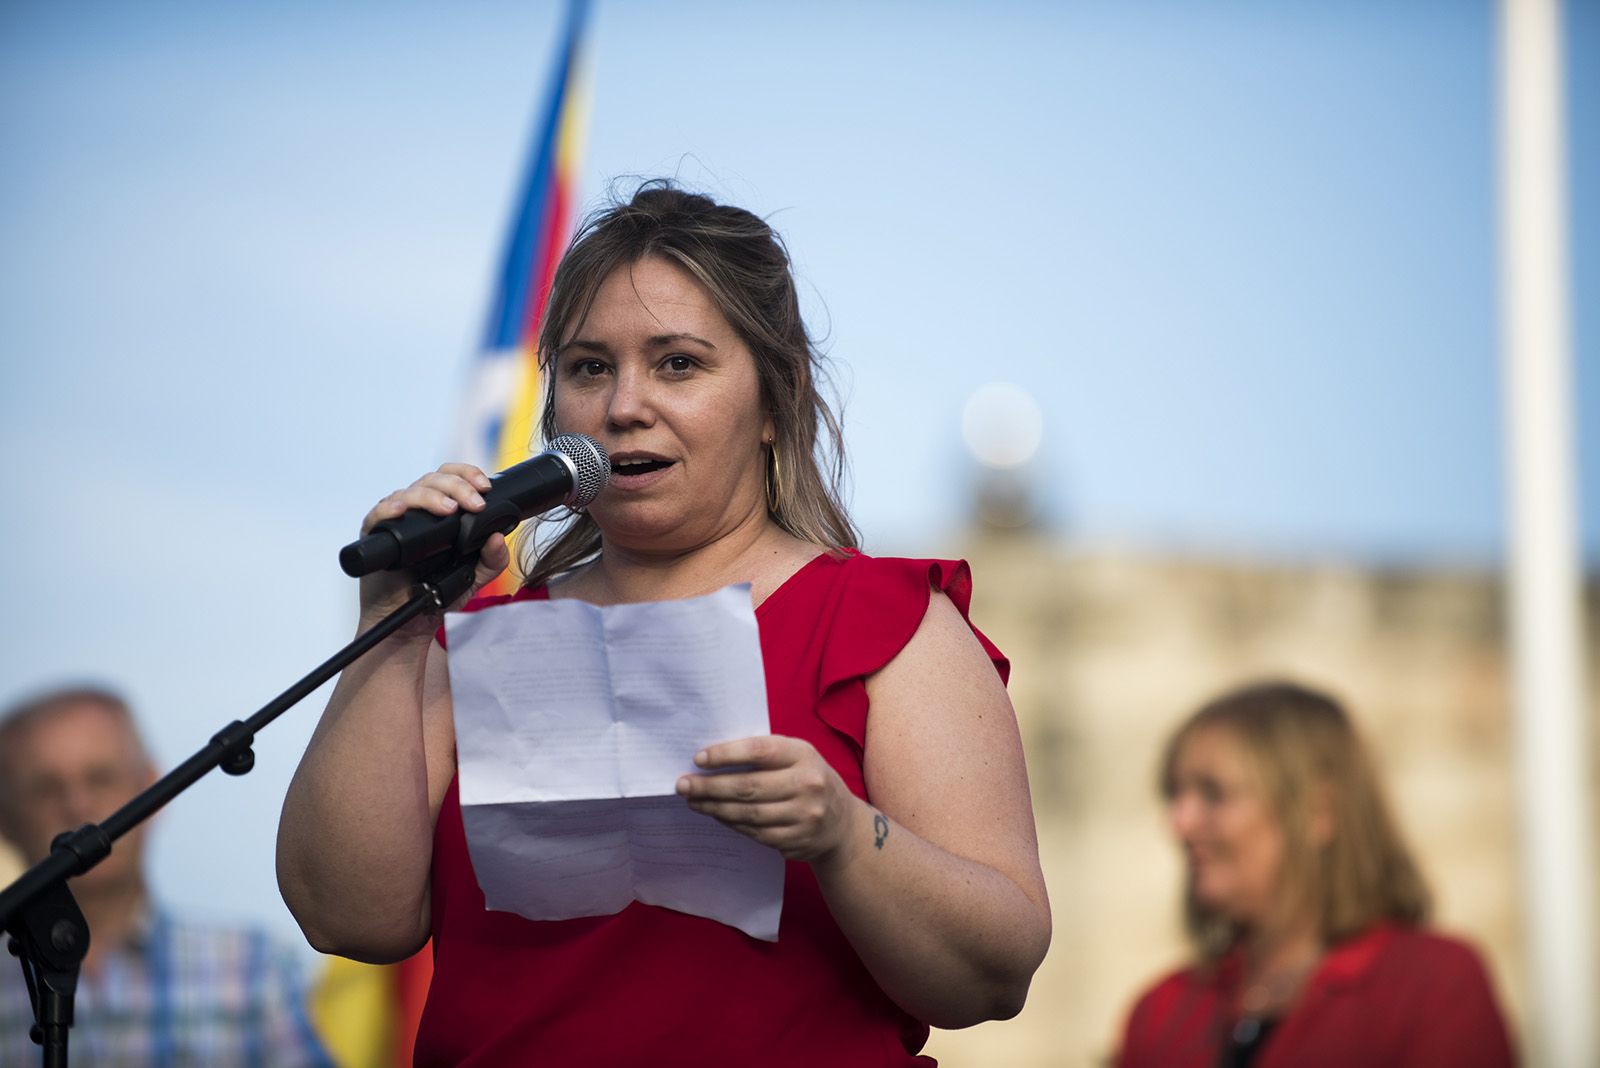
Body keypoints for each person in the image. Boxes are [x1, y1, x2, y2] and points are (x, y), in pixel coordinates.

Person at [276, 182, 1052, 1066]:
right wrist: (394, 624)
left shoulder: (886, 625)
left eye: (678, 363)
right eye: (589, 367)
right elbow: (345, 916)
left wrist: (843, 835)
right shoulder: (473, 639)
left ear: (776, 400)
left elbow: (995, 975)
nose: (624, 406)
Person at [1117, 681, 1516, 1068]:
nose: (1179, 822)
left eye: (1213, 794)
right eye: (1175, 794)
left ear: (1317, 810)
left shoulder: (1431, 984)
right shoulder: (1163, 1010)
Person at [0, 685, 331, 1067]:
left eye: (101, 778)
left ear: (151, 788)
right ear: (5, 818)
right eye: (46, 789)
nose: (78, 805)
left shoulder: (253, 967)